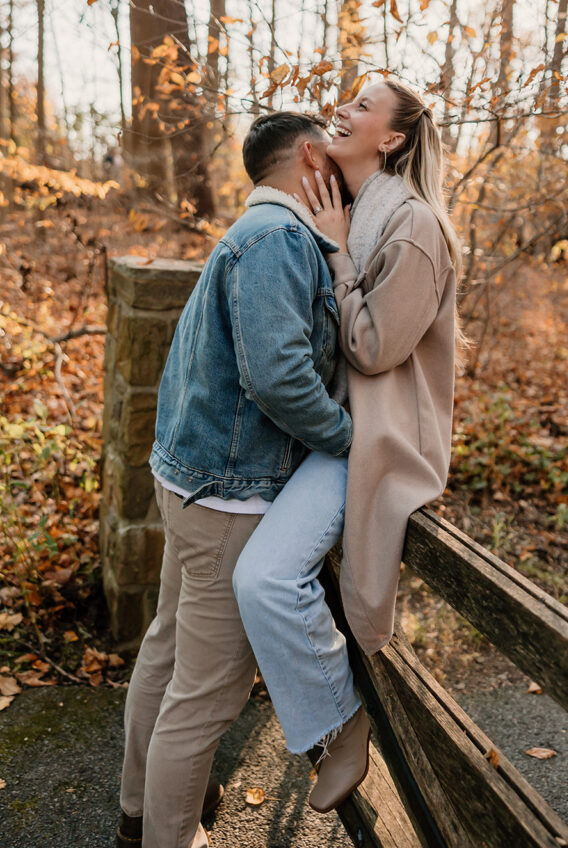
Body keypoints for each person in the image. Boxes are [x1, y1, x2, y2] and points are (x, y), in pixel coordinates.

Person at [116, 112, 354, 848]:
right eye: (335, 154)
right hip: (230, 497)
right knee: (206, 696)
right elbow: (277, 376)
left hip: (195, 484)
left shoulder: (248, 235)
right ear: (311, 157)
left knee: (166, 652)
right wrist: (353, 443)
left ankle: (136, 812)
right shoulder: (279, 241)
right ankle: (165, 836)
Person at [233, 78, 466, 814]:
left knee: (264, 578)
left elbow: (371, 350)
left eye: (362, 106)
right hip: (335, 435)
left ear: (391, 139)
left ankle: (340, 722)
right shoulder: (351, 207)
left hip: (380, 440)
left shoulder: (413, 225)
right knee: (257, 581)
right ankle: (335, 720)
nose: (343, 108)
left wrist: (334, 254)